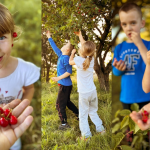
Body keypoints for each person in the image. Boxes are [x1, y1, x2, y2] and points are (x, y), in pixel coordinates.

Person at [0, 3, 40, 150]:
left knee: (14, 144)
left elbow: (29, 88)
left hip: (10, 124)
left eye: (1, 37)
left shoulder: (24, 69)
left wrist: (25, 103)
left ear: (12, 37)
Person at [112, 2, 150, 145]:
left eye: (133, 23)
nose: (129, 28)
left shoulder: (147, 45)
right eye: (124, 24)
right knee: (130, 124)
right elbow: (116, 73)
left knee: (146, 124)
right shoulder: (120, 47)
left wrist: (139, 43)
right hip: (127, 96)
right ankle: (131, 142)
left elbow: (149, 63)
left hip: (146, 96)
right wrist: (119, 69)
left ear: (142, 23)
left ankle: (146, 142)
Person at [69, 30, 105, 140]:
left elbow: (70, 62)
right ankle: (101, 129)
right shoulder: (92, 59)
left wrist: (72, 53)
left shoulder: (78, 59)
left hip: (84, 94)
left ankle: (86, 136)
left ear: (81, 51)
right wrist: (80, 35)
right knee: (93, 111)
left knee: (83, 115)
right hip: (92, 91)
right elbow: (86, 47)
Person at [46, 31, 78, 130]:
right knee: (67, 102)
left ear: (67, 49)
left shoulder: (66, 59)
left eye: (65, 45)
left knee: (59, 105)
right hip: (65, 85)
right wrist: (49, 37)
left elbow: (69, 72)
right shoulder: (61, 55)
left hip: (65, 86)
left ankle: (64, 124)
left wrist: (58, 78)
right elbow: (54, 47)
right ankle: (79, 114)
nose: (63, 45)